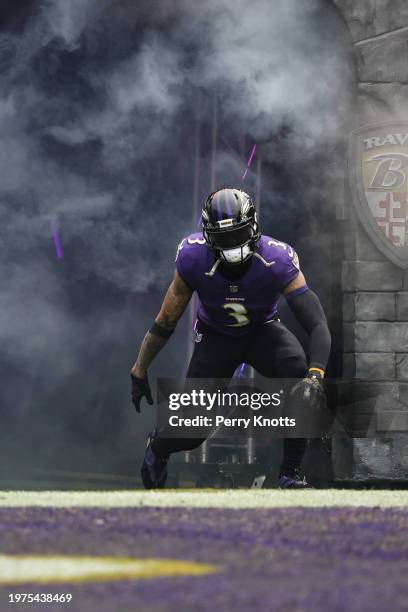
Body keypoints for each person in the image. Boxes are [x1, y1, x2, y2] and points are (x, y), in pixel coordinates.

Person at [131, 188, 331, 489]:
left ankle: (290, 474)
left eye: (238, 235)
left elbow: (316, 323)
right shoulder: (192, 257)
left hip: (262, 331)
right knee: (194, 429)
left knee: (299, 377)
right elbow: (166, 320)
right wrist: (139, 368)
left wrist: (316, 376)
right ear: (208, 236)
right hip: (216, 337)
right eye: (223, 239)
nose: (233, 246)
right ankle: (159, 446)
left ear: (253, 226)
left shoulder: (276, 258)